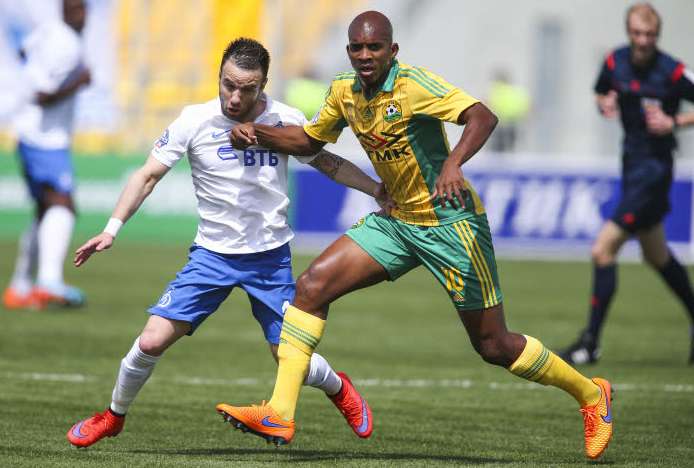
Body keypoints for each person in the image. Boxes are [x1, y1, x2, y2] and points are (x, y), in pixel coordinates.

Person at [217, 11, 614, 460]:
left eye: (374, 47)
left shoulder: (414, 85)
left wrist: (453, 163)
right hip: (399, 221)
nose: (365, 56)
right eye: (357, 48)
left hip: (451, 224)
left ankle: (590, 395)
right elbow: (311, 142)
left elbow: (483, 117)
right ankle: (280, 412)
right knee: (310, 288)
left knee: (493, 345)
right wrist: (259, 134)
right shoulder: (344, 91)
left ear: (392, 51)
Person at [65, 38, 386, 448]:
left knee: (290, 359)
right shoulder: (193, 121)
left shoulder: (286, 120)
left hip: (270, 261)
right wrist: (112, 228)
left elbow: (328, 163)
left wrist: (375, 189)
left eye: (247, 89)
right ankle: (112, 417)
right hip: (211, 257)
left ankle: (339, 388)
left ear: (264, 84)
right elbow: (146, 175)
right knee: (150, 341)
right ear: (219, 75)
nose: (234, 97)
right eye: (228, 84)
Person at [559, 3, 694, 366]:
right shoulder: (614, 61)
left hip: (653, 172)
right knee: (657, 256)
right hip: (631, 166)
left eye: (650, 35)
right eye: (637, 33)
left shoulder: (673, 70)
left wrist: (676, 121)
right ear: (628, 32)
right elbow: (602, 92)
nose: (643, 41)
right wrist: (604, 103)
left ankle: (590, 343)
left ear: (657, 36)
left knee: (603, 251)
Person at [2, 0, 90, 310]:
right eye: (76, 8)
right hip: (44, 138)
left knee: (45, 210)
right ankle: (48, 281)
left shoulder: (47, 32)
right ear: (64, 10)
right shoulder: (66, 43)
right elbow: (44, 95)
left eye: (84, 8)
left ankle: (19, 287)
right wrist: (78, 81)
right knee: (63, 204)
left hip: (28, 133)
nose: (82, 15)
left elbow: (24, 52)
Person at [487, 69, 530, 153]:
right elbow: (526, 108)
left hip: (498, 125)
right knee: (510, 148)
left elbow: (487, 106)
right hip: (513, 124)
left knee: (496, 150)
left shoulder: (496, 91)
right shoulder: (516, 92)